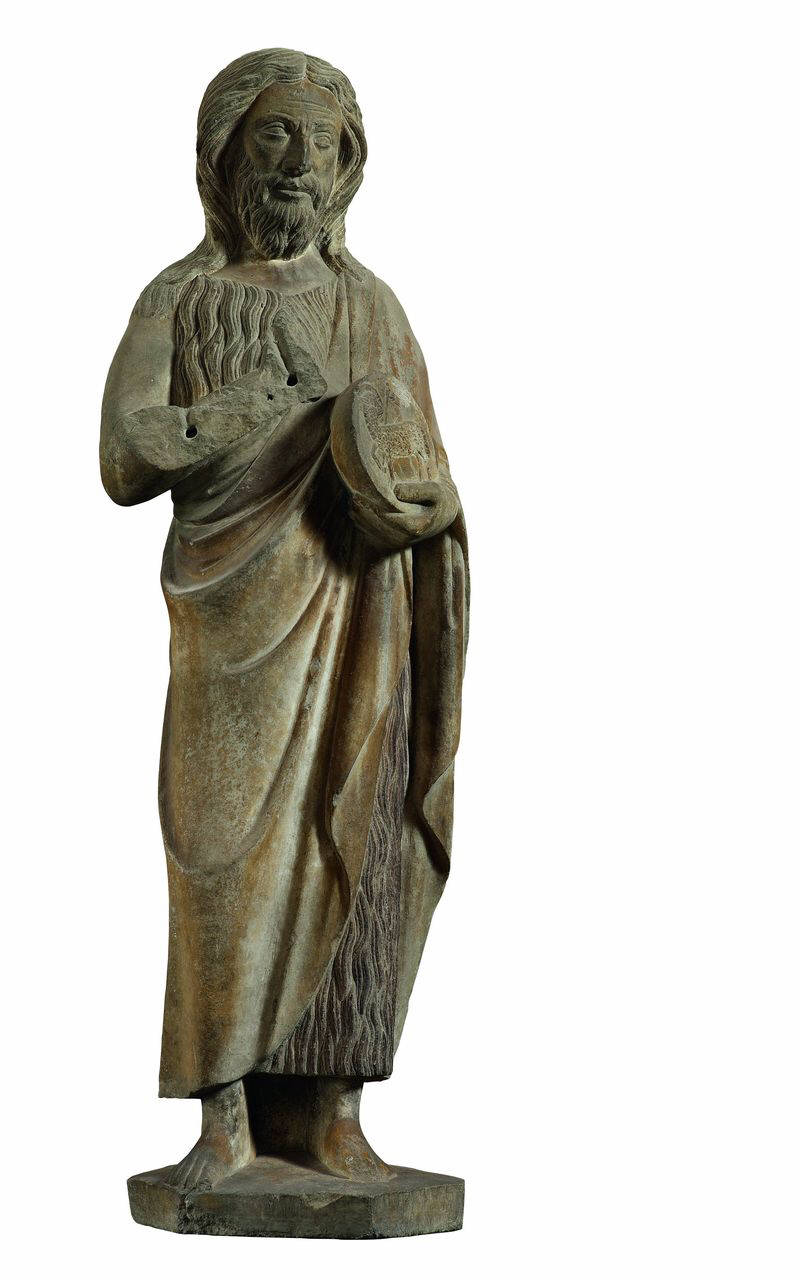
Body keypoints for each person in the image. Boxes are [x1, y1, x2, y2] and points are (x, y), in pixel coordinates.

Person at [101, 47, 467, 1191]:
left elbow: (421, 464)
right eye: (273, 135)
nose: (298, 161)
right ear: (222, 158)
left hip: (358, 608)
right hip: (234, 616)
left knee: (352, 838)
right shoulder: (179, 297)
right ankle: (222, 1118)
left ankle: (332, 1115)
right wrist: (239, 414)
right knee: (221, 851)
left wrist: (428, 506)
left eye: (320, 141)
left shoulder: (370, 305)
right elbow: (124, 454)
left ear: (348, 165)